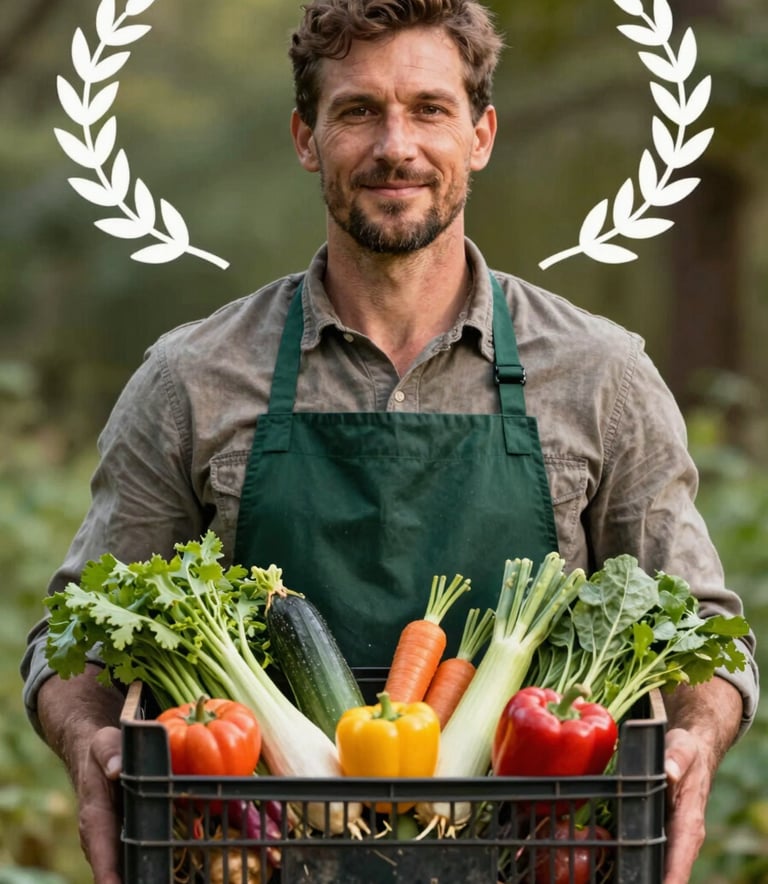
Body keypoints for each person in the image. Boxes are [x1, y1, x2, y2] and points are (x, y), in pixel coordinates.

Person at [22, 1, 757, 882]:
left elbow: (704, 633)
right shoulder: (192, 378)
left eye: (430, 109)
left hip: (536, 860)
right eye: (359, 111)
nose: (395, 146)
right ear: (306, 137)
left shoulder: (600, 373)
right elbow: (77, 638)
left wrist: (695, 739)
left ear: (481, 134)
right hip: (259, 859)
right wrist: (89, 742)